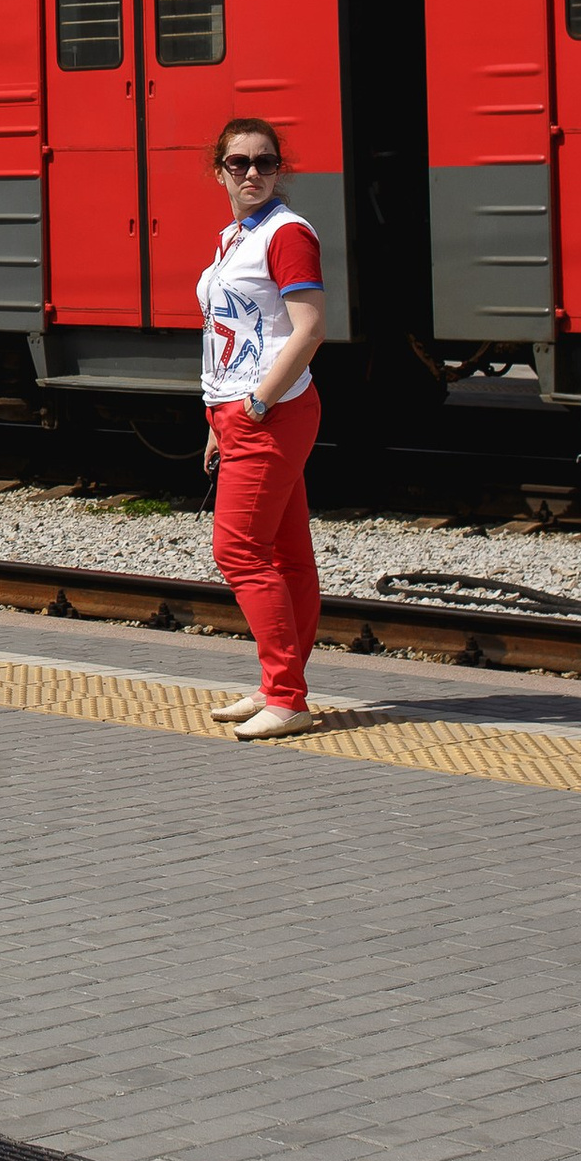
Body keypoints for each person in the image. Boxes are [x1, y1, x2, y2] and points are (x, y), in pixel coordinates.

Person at [195, 116, 326, 739]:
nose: (252, 172)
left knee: (238, 551)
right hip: (242, 412)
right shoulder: (234, 236)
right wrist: (218, 418)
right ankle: (281, 685)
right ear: (217, 168)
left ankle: (287, 697)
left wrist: (255, 405)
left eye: (265, 162)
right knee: (287, 554)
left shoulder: (287, 233)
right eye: (239, 162)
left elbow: (308, 328)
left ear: (280, 170)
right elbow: (231, 336)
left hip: (269, 412)